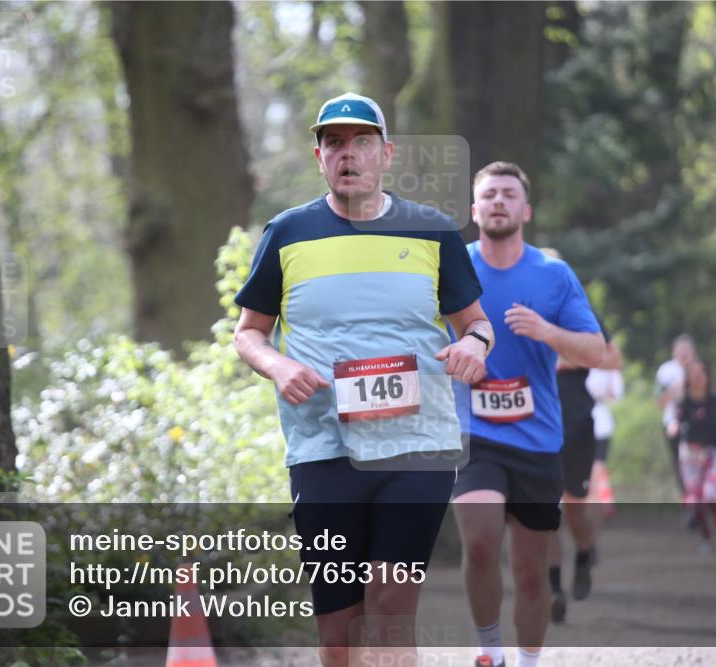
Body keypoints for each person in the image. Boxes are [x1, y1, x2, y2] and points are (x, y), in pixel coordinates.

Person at [232, 92, 494, 667]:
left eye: (361, 142)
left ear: (386, 153)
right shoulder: (287, 233)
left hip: (417, 447)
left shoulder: (432, 231)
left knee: (391, 614)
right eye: (334, 143)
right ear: (319, 156)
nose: (347, 154)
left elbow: (475, 324)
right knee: (339, 630)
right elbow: (248, 332)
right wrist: (277, 365)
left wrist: (473, 346)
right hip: (323, 448)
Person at [449, 162, 605, 667]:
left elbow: (596, 351)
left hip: (537, 440)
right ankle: (489, 652)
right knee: (480, 542)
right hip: (473, 434)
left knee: (533, 571)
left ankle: (529, 659)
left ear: (525, 209)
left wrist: (547, 331)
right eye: (489, 194)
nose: (498, 201)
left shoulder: (553, 275)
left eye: (508, 194)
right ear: (474, 210)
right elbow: (419, 338)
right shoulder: (452, 270)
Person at [548, 314, 620, 625]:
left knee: (575, 508)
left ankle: (583, 552)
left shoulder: (580, 314)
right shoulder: (516, 312)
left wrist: (568, 356)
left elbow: (613, 359)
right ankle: (553, 590)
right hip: (534, 424)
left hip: (577, 424)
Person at [669, 358, 716, 551]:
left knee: (711, 494)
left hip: (714, 453)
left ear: (707, 377)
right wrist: (673, 427)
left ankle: (712, 529)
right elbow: (675, 420)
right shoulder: (683, 401)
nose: (698, 378)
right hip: (690, 454)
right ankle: (704, 532)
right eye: (693, 374)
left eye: (701, 374)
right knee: (696, 498)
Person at [655, 335, 696, 497]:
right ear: (674, 351)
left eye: (688, 350)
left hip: (697, 422)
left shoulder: (698, 368)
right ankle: (687, 499)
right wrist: (676, 387)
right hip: (672, 422)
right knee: (679, 462)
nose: (684, 354)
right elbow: (659, 402)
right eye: (681, 350)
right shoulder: (666, 370)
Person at [586, 364, 625, 523]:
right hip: (573, 424)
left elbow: (616, 395)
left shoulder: (609, 369)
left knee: (596, 469)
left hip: (600, 425)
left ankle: (594, 512)